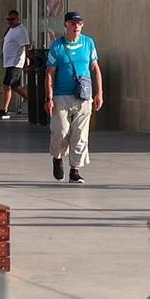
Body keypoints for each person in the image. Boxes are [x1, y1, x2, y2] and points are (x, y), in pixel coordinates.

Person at [45, 12, 102, 184]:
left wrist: (99, 93)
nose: (76, 26)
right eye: (72, 23)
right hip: (61, 95)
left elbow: (96, 68)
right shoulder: (57, 46)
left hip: (84, 95)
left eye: (79, 23)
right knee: (61, 131)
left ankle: (75, 170)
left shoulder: (88, 43)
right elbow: (49, 73)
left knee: (80, 134)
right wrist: (49, 97)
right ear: (66, 25)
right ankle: (57, 158)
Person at [0, 10, 27, 120]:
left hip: (15, 62)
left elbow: (26, 45)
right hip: (9, 62)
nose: (10, 21)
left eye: (12, 19)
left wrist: (27, 58)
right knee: (15, 87)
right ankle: (33, 101)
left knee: (7, 85)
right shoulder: (10, 29)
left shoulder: (21, 30)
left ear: (18, 19)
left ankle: (5, 109)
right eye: (8, 19)